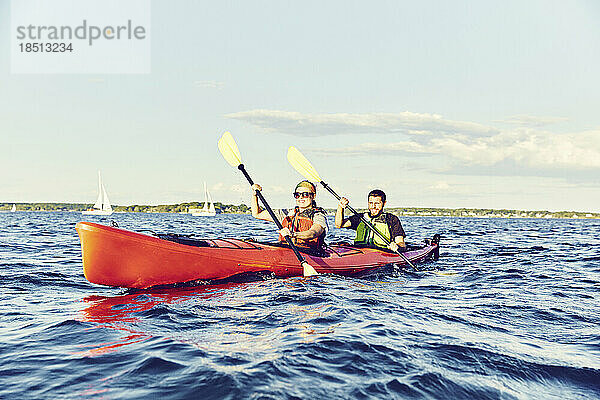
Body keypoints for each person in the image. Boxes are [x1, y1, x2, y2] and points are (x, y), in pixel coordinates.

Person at [251, 180, 328, 253]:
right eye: (297, 195)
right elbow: (257, 214)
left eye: (305, 194)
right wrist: (255, 195)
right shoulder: (287, 213)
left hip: (310, 252)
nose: (301, 197)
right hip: (285, 250)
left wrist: (292, 234)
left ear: (313, 196)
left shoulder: (318, 215)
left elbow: (313, 233)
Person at [335, 189, 406, 252]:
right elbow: (339, 225)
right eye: (371, 203)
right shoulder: (360, 217)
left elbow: (401, 243)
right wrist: (340, 207)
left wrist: (397, 247)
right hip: (359, 252)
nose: (373, 206)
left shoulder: (391, 219)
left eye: (377, 203)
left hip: (381, 253)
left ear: (384, 203)